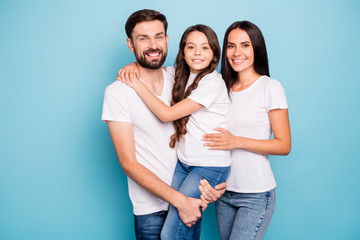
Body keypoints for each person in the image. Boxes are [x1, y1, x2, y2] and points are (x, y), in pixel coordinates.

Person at [102, 9, 225, 240]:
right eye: (143, 38)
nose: (153, 45)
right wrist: (181, 202)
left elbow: (210, 127)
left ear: (167, 40)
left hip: (190, 200)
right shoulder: (117, 93)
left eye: (158, 36)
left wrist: (214, 182)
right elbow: (128, 163)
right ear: (130, 44)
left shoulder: (180, 79)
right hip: (153, 212)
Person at [200, 21, 291, 239]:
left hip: (256, 195)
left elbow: (284, 145)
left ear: (256, 48)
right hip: (223, 192)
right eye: (231, 46)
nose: (237, 52)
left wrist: (237, 141)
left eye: (245, 45)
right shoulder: (220, 87)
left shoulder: (270, 87)